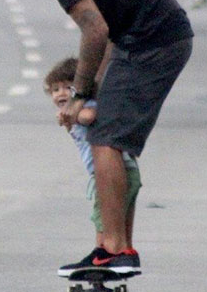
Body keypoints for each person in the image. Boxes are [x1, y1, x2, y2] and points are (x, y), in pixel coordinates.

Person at [0, 0, 193, 273]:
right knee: (112, 138)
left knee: (105, 138)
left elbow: (94, 30)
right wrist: (94, 88)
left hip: (152, 42)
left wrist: (79, 94)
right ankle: (116, 245)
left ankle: (114, 249)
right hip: (147, 38)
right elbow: (108, 28)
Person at [44, 57, 142, 276]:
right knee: (120, 215)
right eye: (55, 90)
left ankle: (104, 253)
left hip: (113, 174)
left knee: (103, 215)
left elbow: (90, 116)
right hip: (125, 170)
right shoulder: (75, 109)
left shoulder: (87, 105)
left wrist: (75, 115)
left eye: (67, 88)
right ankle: (123, 251)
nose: (60, 94)